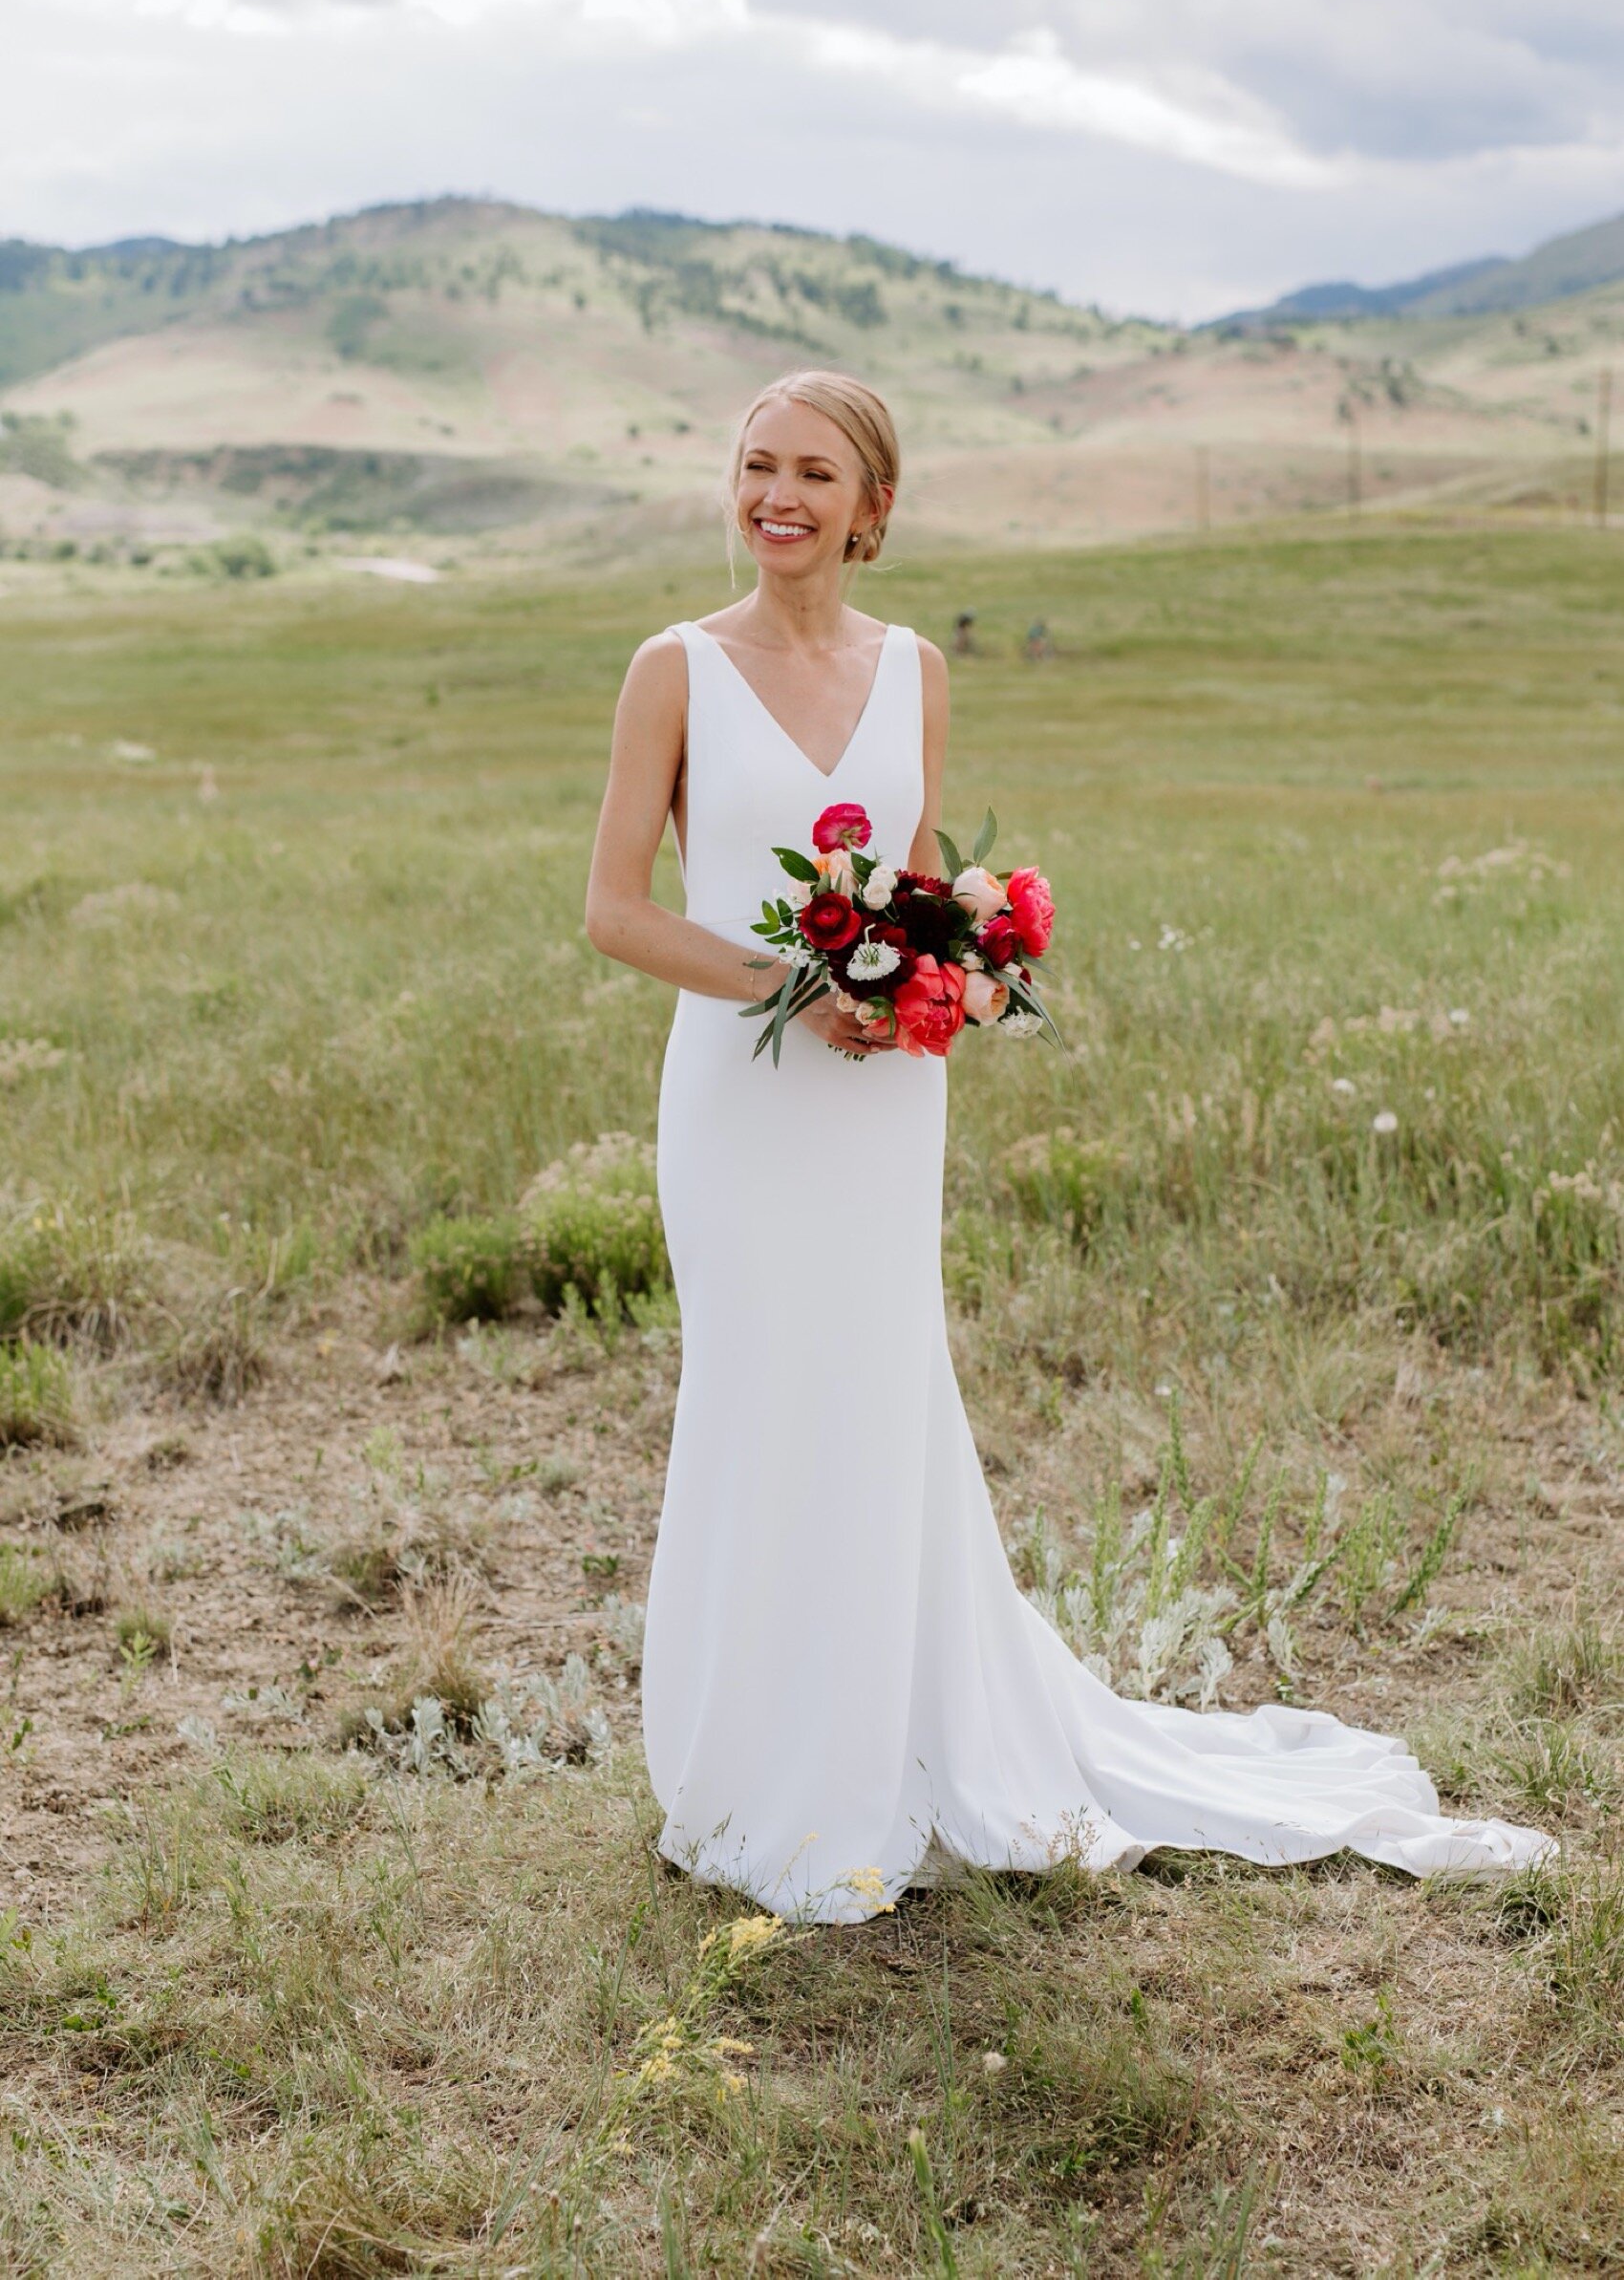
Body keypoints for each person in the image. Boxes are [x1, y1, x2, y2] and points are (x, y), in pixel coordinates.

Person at [584, 368, 1552, 1924]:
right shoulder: (674, 669)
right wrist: (796, 985)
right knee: (762, 1391)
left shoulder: (914, 671)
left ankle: (907, 1733)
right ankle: (756, 1766)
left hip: (888, 1101)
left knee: (883, 1391)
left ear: (873, 505)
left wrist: (934, 974)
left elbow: (907, 888)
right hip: (747, 1093)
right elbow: (616, 909)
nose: (778, 496)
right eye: (756, 466)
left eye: (814, 473)